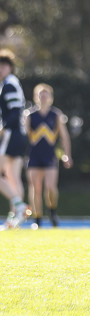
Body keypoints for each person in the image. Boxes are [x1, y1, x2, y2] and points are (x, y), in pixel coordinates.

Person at [24, 83, 73, 228]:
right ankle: (37, 219)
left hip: (50, 156)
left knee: (51, 187)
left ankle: (52, 211)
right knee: (36, 188)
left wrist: (67, 154)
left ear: (51, 97)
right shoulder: (30, 115)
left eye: (46, 94)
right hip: (33, 156)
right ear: (35, 97)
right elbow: (24, 136)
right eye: (40, 94)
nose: (43, 97)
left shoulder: (56, 114)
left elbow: (64, 136)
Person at [0, 49, 30, 229]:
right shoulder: (10, 83)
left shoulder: (9, 85)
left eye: (3, 66)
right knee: (13, 177)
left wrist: (2, 129)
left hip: (11, 134)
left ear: (10, 67)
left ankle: (19, 207)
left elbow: (14, 113)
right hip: (19, 135)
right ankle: (15, 219)